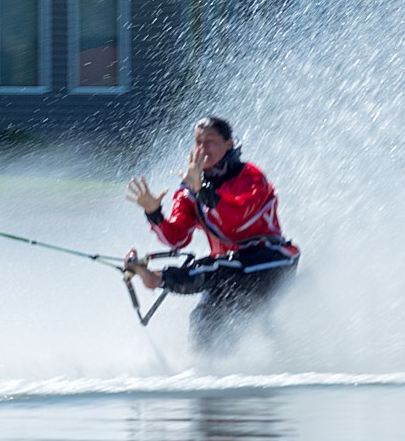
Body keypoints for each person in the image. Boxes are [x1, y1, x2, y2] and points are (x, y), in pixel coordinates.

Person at [125, 116, 300, 351]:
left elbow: (238, 217)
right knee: (202, 318)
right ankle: (209, 375)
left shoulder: (251, 177)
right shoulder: (189, 191)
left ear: (228, 144)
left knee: (218, 269)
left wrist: (203, 190)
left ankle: (157, 278)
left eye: (210, 141)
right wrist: (154, 213)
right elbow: (177, 237)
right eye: (198, 142)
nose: (202, 148)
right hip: (228, 271)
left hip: (271, 262)